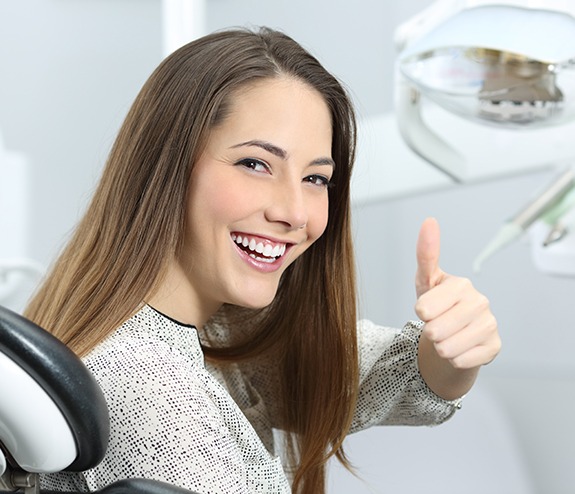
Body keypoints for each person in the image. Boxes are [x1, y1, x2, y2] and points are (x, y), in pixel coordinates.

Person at [26, 27, 501, 494]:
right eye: (255, 164)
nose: (294, 213)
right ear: (168, 164)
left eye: (316, 179)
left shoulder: (209, 330)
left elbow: (335, 367)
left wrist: (448, 352)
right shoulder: (148, 387)